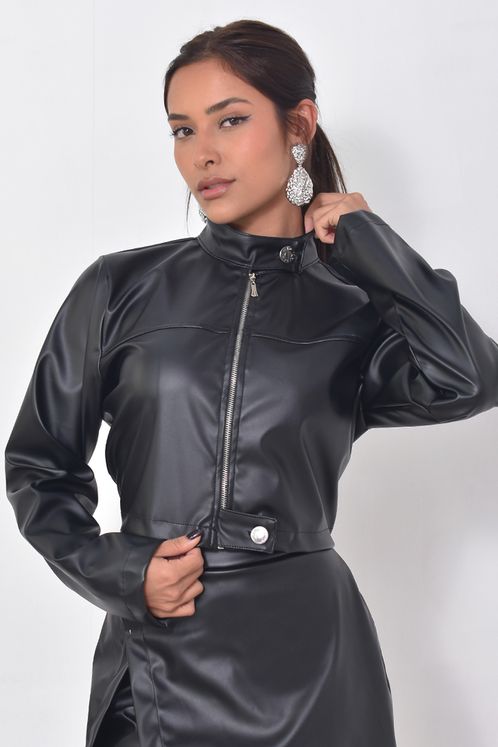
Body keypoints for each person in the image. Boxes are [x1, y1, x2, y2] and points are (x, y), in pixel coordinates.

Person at [4, 18, 498, 747]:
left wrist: (370, 244)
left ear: (299, 125)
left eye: (230, 120)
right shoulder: (119, 288)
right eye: (182, 130)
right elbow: (38, 463)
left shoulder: (355, 306)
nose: (202, 153)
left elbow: (470, 377)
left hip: (312, 668)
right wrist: (120, 570)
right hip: (159, 650)